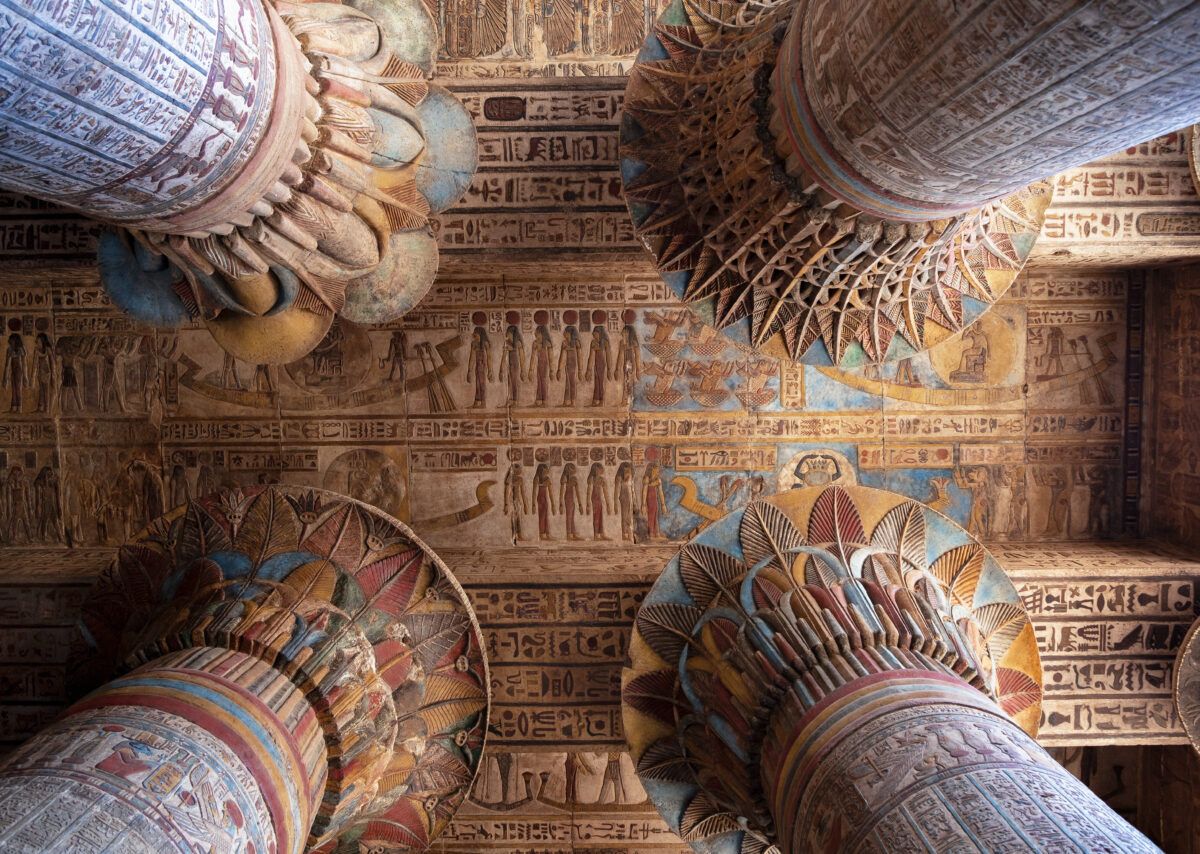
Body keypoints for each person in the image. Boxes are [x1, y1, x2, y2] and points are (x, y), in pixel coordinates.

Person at [560, 463, 584, 541]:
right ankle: (568, 535)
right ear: (568, 470)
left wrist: (580, 504)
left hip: (571, 499)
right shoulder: (564, 478)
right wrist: (560, 504)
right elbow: (562, 492)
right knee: (569, 516)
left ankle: (573, 534)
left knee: (572, 517)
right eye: (571, 469)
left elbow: (577, 492)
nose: (573, 471)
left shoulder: (574, 478)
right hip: (567, 498)